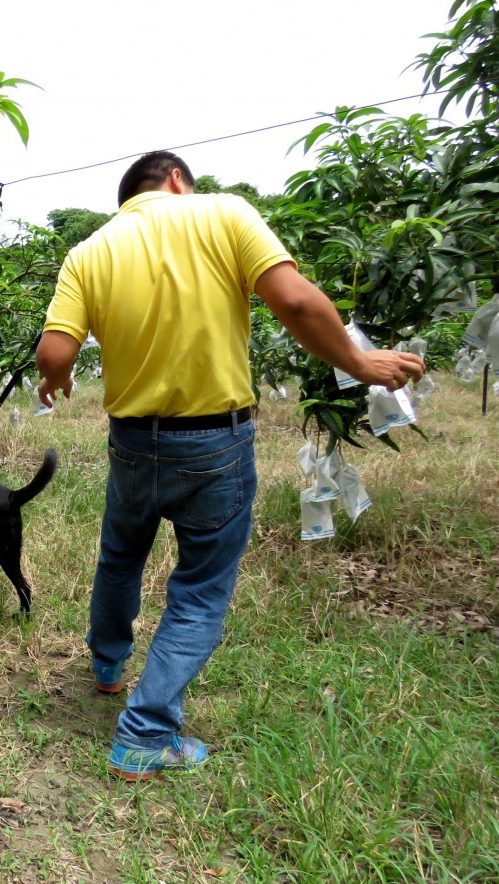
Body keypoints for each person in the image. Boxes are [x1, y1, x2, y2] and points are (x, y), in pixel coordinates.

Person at [35, 151, 425, 782]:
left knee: (122, 552)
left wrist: (54, 382)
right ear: (176, 180)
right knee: (199, 589)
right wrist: (361, 364)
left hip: (133, 441)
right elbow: (294, 302)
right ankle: (145, 735)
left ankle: (108, 666)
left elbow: (56, 349)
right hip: (216, 443)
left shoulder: (91, 251)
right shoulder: (225, 215)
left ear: (131, 197)